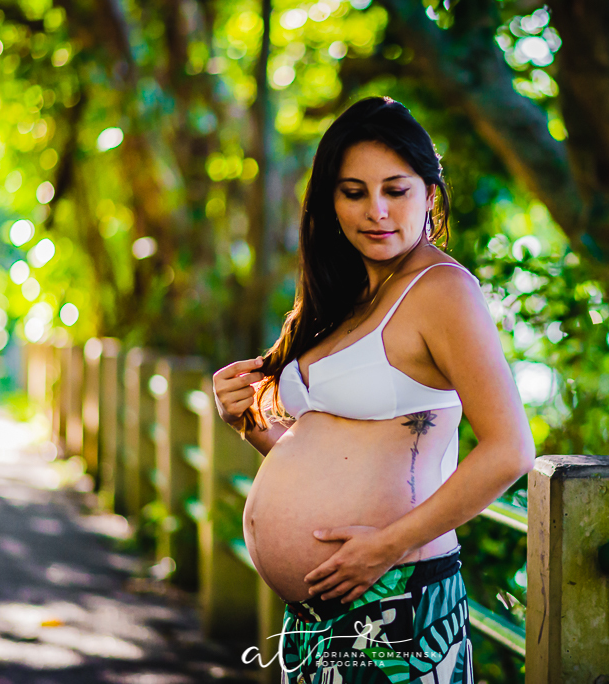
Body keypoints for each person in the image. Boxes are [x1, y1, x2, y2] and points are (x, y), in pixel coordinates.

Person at [213, 96, 534, 684]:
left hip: (396, 605)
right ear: (330, 202)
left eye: (396, 189)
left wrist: (386, 546)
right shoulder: (343, 298)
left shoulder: (442, 291)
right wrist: (251, 421)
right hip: (317, 614)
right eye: (353, 191)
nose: (376, 211)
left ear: (430, 193)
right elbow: (327, 454)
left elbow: (510, 450)